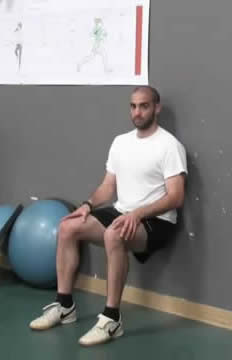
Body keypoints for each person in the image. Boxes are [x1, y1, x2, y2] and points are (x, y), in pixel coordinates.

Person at [29, 86, 187, 346]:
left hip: (157, 221)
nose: (137, 112)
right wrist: (87, 205)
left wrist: (138, 213)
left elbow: (176, 197)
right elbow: (108, 186)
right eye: (133, 106)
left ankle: (111, 319)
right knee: (68, 227)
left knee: (114, 235)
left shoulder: (170, 146)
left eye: (144, 106)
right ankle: (64, 306)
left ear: (156, 108)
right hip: (123, 211)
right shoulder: (120, 142)